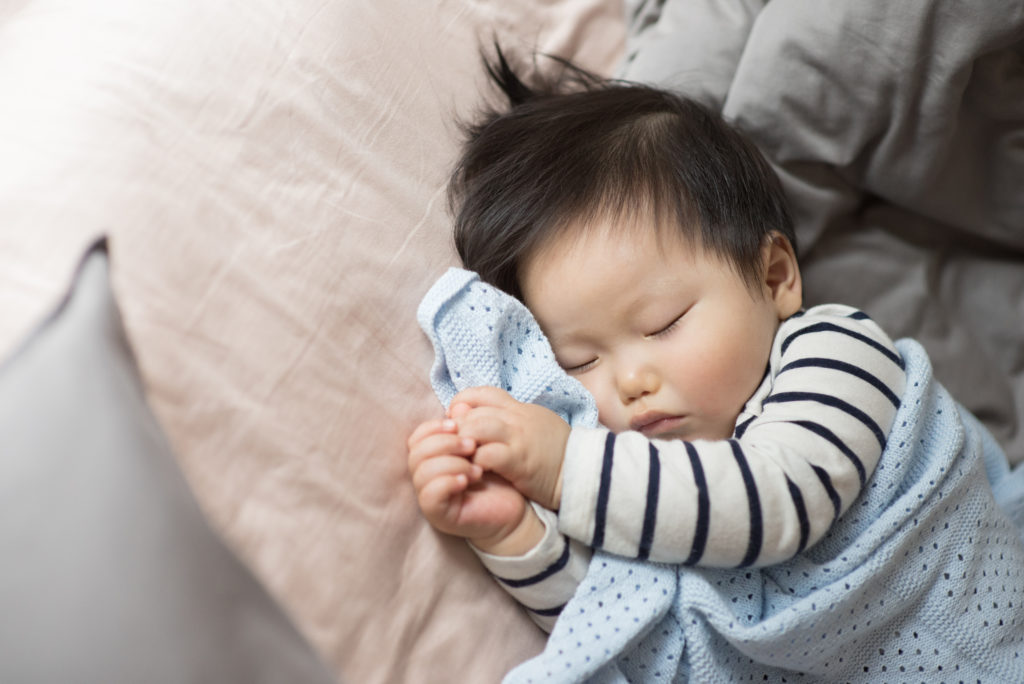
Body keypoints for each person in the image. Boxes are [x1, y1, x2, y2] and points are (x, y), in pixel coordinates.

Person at [407, 49, 907, 632]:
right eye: (579, 360)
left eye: (664, 323)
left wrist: (564, 468)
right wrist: (513, 534)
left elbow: (779, 501)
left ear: (774, 277)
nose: (629, 381)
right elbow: (632, 625)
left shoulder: (836, 350)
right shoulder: (631, 480)